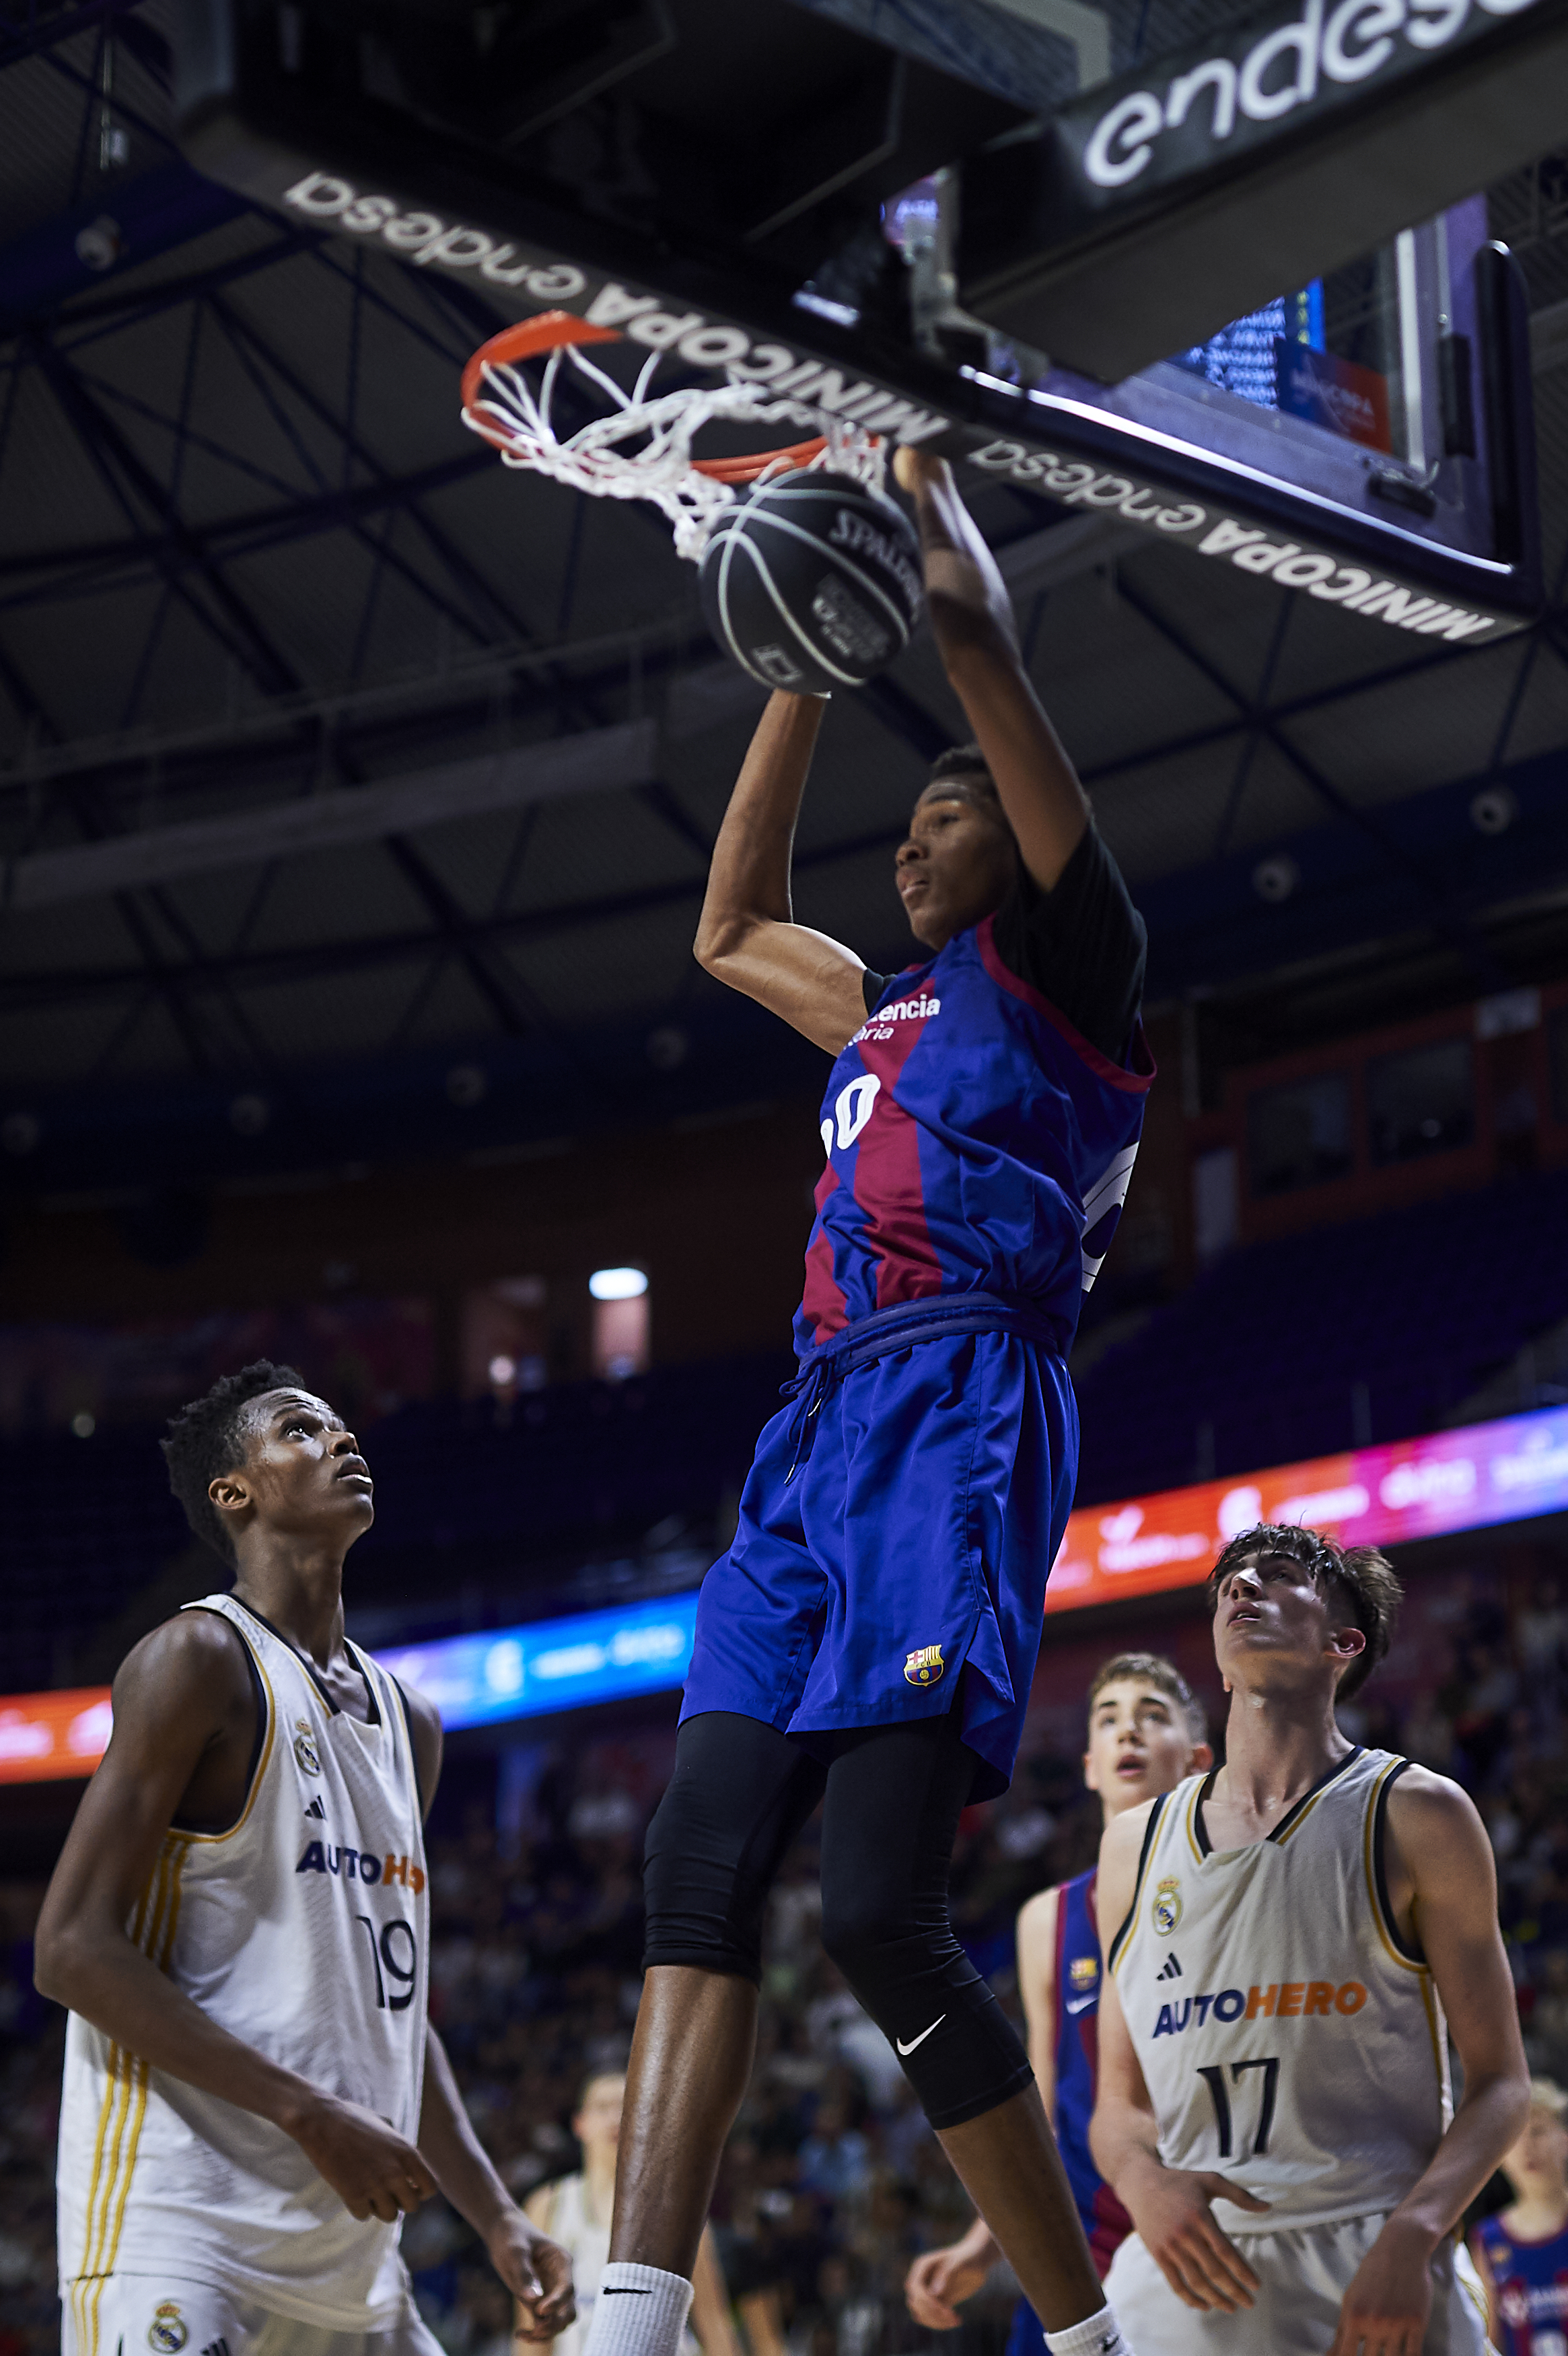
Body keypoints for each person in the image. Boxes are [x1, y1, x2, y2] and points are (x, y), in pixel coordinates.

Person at [581, 447, 1156, 2356]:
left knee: (876, 1911)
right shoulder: (879, 1002)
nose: (905, 850)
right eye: (900, 826)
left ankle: (1086, 2337)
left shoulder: (1068, 973)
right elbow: (726, 925)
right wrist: (801, 661)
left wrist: (903, 474)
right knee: (694, 1857)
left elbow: (978, 628)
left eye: (940, 820)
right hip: (811, 1435)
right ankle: (635, 2316)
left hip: (959, 1416)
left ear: (1022, 837)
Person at [35, 1359, 573, 2356]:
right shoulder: (195, 1660)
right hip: (181, 2231)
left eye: (342, 1428)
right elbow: (68, 1949)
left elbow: (395, 2018)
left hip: (351, 2270)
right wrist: (309, 2112)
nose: (341, 1440)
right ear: (232, 1493)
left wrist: (495, 2213)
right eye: (299, 1430)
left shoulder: (411, 1723)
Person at [1092, 1521, 1530, 2356]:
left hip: (1372, 2250)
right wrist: (1142, 2180)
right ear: (1217, 1667)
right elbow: (1119, 2104)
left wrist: (1415, 2234)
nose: (1240, 1587)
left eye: (1276, 1574)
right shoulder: (1131, 1842)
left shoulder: (1415, 1809)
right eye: (1229, 1579)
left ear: (1342, 1641)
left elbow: (1502, 2082)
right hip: (1188, 2262)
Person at [905, 1655, 1212, 2347]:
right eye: (1108, 1719)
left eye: (1150, 1714)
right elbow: (1041, 2102)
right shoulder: (1047, 1916)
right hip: (1079, 2253)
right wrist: (980, 2245)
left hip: (1201, 2232)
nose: (1126, 1730)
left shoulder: (1230, 1891)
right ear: (1088, 1765)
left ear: (1196, 1760)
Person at [525, 2072, 737, 2356]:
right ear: (580, 2124)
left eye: (627, 2107)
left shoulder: (677, 2205)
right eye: (603, 2108)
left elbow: (712, 2318)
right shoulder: (548, 2205)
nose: (615, 2118)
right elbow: (535, 2325)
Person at [1471, 2079, 1568, 2356]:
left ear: (1564, 2141)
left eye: (1537, 2132)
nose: (1526, 2146)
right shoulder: (1488, 2239)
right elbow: (1490, 2340)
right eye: (1515, 2137)